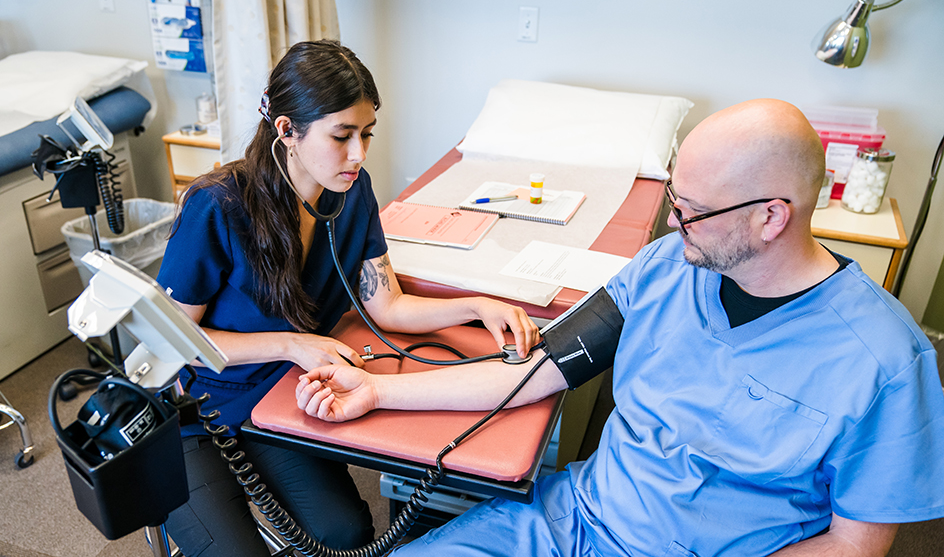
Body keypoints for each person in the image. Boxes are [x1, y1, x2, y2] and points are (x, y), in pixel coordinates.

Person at [296, 99, 944, 556]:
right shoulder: (667, 267)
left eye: (691, 212)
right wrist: (378, 389)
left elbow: (855, 543)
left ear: (771, 217)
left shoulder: (886, 362)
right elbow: (536, 369)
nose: (672, 224)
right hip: (574, 522)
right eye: (675, 201)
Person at [156, 39, 539, 557]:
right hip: (197, 415)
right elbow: (173, 340)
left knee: (345, 535)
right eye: (341, 136)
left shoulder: (351, 192)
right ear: (287, 130)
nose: (358, 153)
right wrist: (291, 344)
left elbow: (387, 306)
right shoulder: (218, 205)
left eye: (366, 134)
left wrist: (475, 306)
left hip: (282, 398)